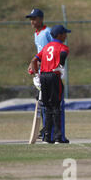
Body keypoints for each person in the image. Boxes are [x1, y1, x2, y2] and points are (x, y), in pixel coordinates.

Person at [30, 25, 70, 144]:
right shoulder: (63, 46)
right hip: (53, 76)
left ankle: (47, 137)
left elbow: (34, 60)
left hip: (43, 77)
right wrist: (61, 66)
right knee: (56, 106)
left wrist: (37, 74)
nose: (66, 35)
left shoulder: (46, 47)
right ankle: (58, 137)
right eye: (64, 33)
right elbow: (63, 54)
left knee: (47, 107)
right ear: (59, 35)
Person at [26, 8, 53, 141]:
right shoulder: (37, 34)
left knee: (47, 100)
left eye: (34, 18)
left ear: (41, 19)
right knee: (41, 99)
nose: (32, 21)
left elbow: (55, 49)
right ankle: (45, 129)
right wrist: (34, 64)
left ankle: (49, 130)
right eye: (31, 19)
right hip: (41, 70)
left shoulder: (48, 32)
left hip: (50, 71)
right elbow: (40, 52)